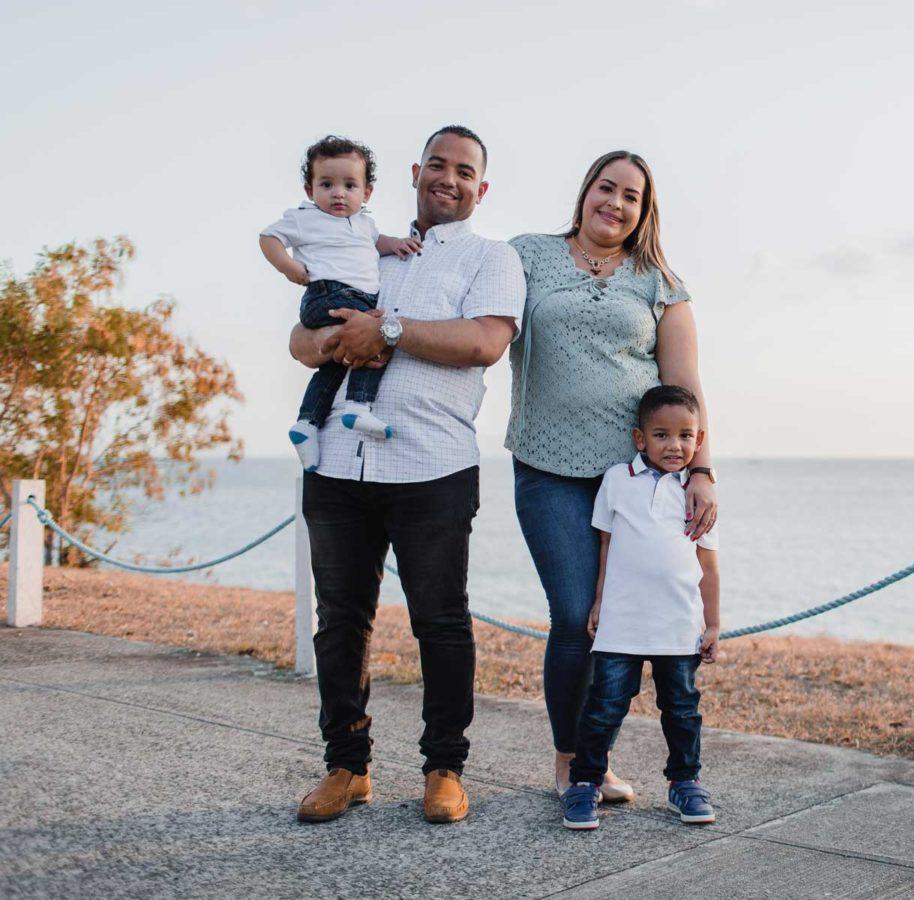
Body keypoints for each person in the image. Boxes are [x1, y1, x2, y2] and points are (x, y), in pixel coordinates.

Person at [285, 125, 525, 825]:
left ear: (481, 188)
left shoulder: (492, 259)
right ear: (417, 172)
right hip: (336, 464)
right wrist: (337, 339)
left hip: (434, 468)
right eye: (438, 166)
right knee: (340, 626)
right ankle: (346, 768)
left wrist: (386, 330)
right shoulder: (362, 245)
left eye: (465, 171)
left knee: (441, 623)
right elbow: (301, 341)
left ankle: (445, 769)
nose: (449, 179)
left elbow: (483, 342)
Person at [506, 151, 719, 800]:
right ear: (586, 192)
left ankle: (597, 762)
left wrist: (702, 468)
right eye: (607, 188)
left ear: (643, 211)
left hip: (635, 482)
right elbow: (479, 315)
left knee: (618, 623)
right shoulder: (527, 257)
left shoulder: (659, 282)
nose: (616, 203)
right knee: (575, 616)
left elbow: (683, 386)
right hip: (546, 468)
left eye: (632, 196)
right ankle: (571, 760)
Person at [561, 385, 721, 830]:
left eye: (686, 436)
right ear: (640, 438)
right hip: (622, 622)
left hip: (678, 624)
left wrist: (713, 624)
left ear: (699, 440)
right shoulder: (617, 481)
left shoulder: (698, 493)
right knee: (604, 706)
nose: (676, 446)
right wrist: (598, 601)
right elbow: (606, 545)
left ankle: (684, 783)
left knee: (683, 710)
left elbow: (707, 562)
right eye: (663, 435)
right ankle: (584, 783)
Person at [260, 135, 421, 469]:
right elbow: (268, 238)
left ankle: (307, 424)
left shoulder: (364, 223)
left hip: (353, 297)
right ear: (310, 190)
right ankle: (358, 407)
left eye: (350, 185)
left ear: (366, 193)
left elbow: (378, 242)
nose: (338, 193)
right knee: (372, 339)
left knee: (337, 361)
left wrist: (398, 245)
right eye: (327, 184)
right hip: (328, 293)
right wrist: (289, 267)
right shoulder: (305, 218)